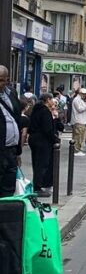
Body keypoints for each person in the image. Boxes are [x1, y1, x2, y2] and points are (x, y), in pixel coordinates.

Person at [28, 93, 60, 198]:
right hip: (42, 141)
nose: (52, 101)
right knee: (42, 164)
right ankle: (38, 187)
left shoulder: (36, 110)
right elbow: (47, 129)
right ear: (47, 100)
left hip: (34, 139)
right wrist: (55, 139)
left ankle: (39, 185)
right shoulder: (45, 111)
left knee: (37, 163)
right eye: (51, 99)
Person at [0, 66, 24, 197]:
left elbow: (17, 118)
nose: (0, 83)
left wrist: (18, 152)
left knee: (9, 186)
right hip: (1, 149)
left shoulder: (11, 93)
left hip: (12, 150)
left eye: (2, 80)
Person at [71, 89, 86, 156]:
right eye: (84, 94)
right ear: (81, 93)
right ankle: (76, 150)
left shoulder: (81, 100)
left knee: (81, 137)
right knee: (78, 137)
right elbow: (80, 109)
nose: (85, 95)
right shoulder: (76, 100)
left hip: (82, 121)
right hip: (78, 121)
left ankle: (78, 150)